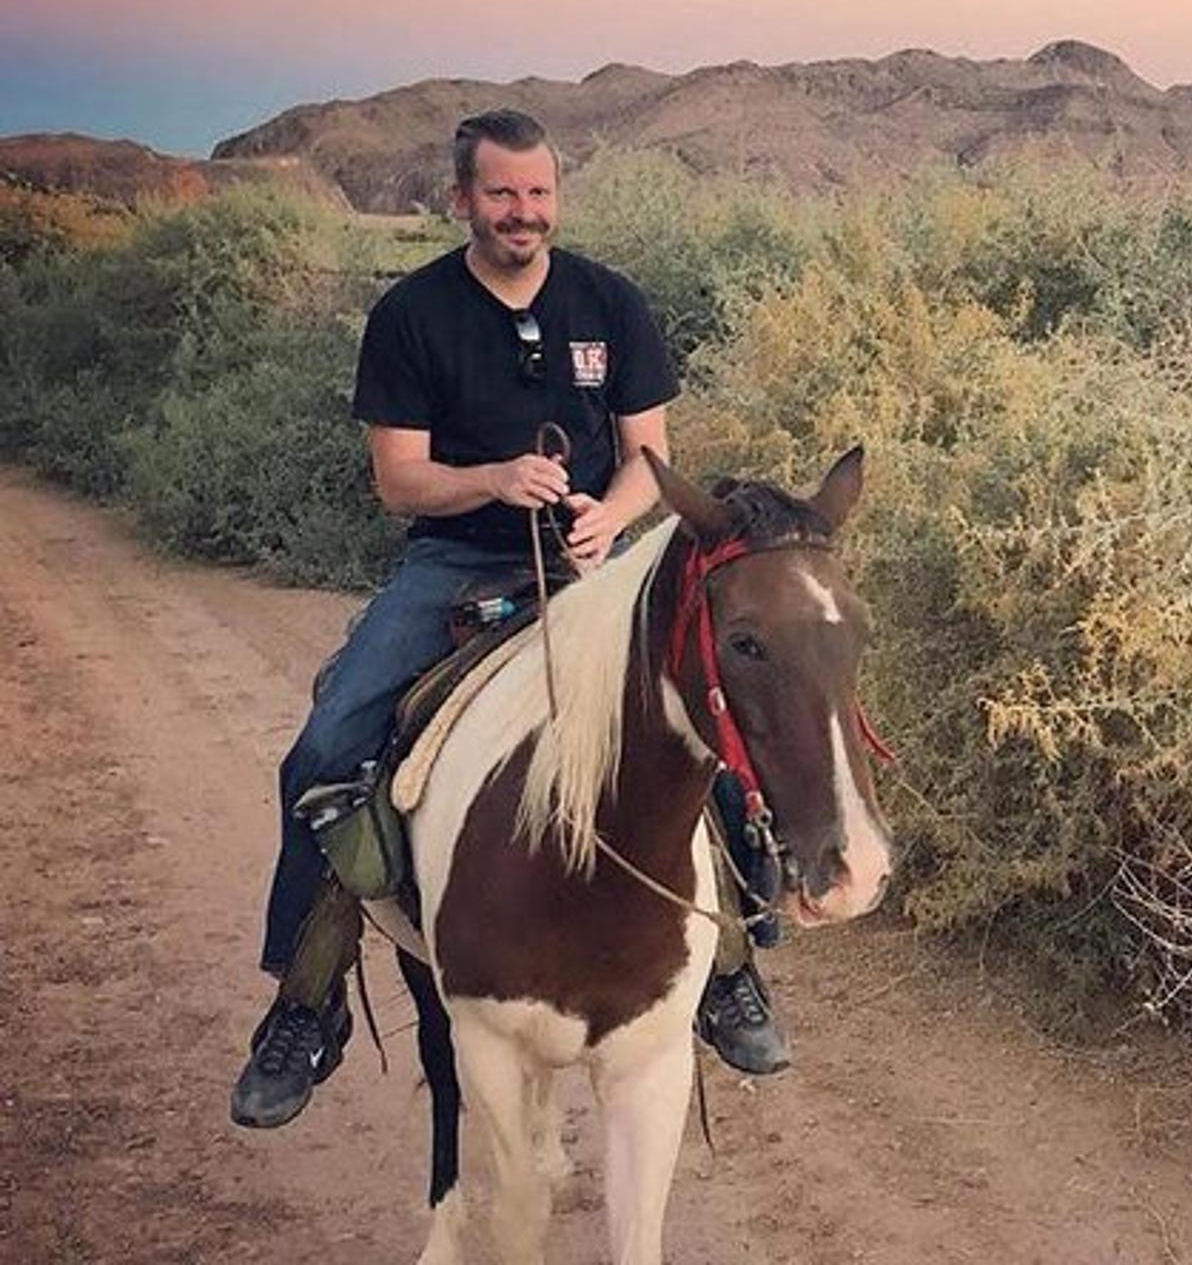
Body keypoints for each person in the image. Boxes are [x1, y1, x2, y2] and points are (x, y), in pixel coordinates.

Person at [231, 109, 789, 1130]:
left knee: (699, 719)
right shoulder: (413, 313)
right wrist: (492, 476)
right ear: (460, 200)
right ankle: (303, 1004)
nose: (521, 212)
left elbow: (647, 459)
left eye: (537, 193)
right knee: (325, 748)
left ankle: (729, 962)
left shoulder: (608, 302)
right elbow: (398, 482)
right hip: (455, 565)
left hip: (594, 567)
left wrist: (607, 519)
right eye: (500, 194)